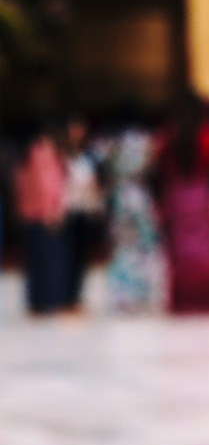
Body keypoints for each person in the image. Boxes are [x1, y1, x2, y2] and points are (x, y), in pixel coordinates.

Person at [156, 91, 209, 314]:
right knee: (203, 249)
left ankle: (181, 299)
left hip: (176, 196)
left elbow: (161, 169)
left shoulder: (168, 137)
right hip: (201, 195)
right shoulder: (208, 136)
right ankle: (203, 298)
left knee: (179, 250)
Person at [102, 102, 167, 315]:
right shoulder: (145, 141)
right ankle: (142, 295)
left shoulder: (113, 142)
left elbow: (106, 169)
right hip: (140, 195)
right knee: (143, 247)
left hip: (120, 196)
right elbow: (153, 168)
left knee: (122, 247)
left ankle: (122, 295)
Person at [12, 118, 70, 315]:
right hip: (44, 215)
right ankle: (48, 300)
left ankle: (38, 301)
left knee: (36, 260)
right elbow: (44, 185)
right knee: (49, 260)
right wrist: (50, 211)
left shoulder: (28, 154)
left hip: (32, 213)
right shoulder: (41, 154)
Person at [62, 114, 105, 311]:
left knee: (81, 257)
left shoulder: (91, 156)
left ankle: (76, 297)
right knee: (65, 256)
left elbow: (99, 182)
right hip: (66, 211)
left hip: (84, 210)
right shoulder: (62, 155)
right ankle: (64, 295)